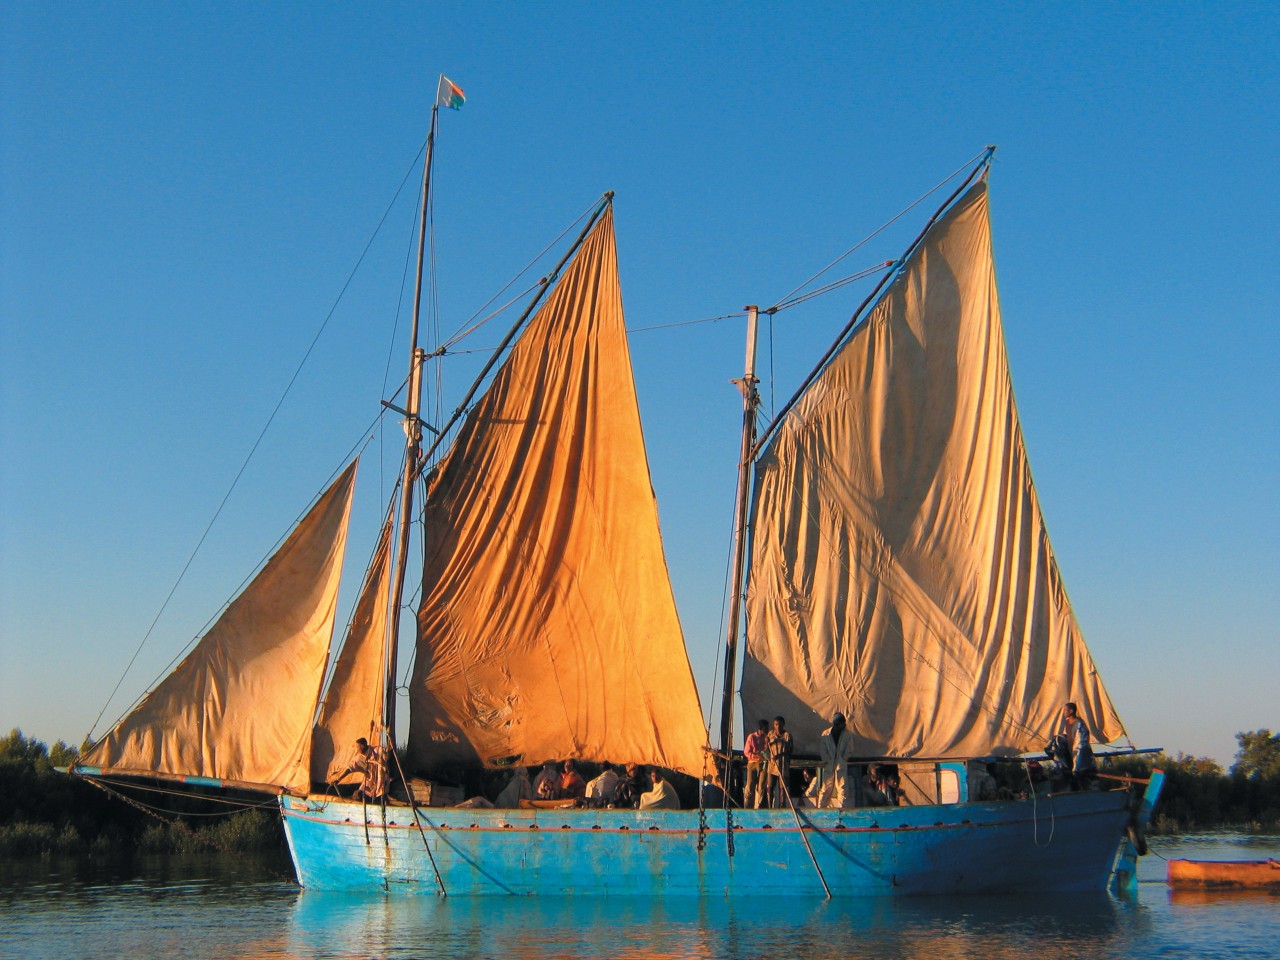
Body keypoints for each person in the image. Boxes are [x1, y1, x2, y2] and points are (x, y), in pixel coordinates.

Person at [1055, 701, 1097, 790]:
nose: (1064, 712)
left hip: (1080, 754)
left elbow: (1082, 742)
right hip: (1072, 754)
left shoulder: (1079, 724)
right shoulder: (1067, 724)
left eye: (1065, 710)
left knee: (1081, 775)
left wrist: (1077, 758)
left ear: (1071, 711)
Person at [816, 711, 855, 808]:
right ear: (838, 723)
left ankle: (843, 811)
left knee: (842, 788)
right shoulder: (826, 734)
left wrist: (842, 759)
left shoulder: (847, 735)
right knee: (825, 788)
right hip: (829, 765)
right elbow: (823, 749)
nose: (845, 725)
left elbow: (849, 749)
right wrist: (828, 760)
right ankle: (820, 809)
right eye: (843, 723)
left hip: (840, 765)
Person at [765, 716, 793, 808]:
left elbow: (790, 750)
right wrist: (766, 743)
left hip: (783, 765)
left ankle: (782, 806)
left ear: (783, 725)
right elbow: (766, 749)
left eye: (780, 725)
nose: (778, 727)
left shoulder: (787, 735)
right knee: (770, 787)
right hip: (772, 765)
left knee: (782, 788)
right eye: (776, 725)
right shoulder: (770, 734)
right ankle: (770, 806)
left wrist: (780, 755)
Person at [743, 719, 768, 809]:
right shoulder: (752, 737)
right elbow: (746, 752)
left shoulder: (767, 738)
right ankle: (748, 806)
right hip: (753, 763)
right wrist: (757, 757)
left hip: (763, 763)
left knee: (761, 786)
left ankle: (760, 806)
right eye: (766, 727)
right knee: (750, 785)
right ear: (762, 728)